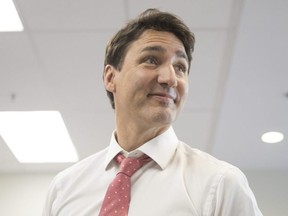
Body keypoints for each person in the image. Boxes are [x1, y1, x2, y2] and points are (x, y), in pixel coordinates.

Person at [43, 8, 263, 216]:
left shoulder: (220, 184)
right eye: (151, 60)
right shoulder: (64, 188)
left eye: (180, 67)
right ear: (110, 78)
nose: (170, 78)